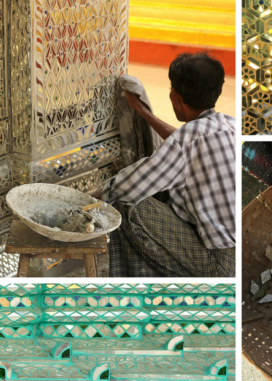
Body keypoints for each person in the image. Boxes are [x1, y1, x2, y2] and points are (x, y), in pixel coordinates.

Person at [98, 51, 235, 277]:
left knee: (126, 205)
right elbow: (186, 140)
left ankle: (132, 290)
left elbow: (130, 186)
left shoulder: (187, 140)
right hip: (239, 255)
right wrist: (144, 114)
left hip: (219, 266)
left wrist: (91, 197)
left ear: (175, 97)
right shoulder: (229, 124)